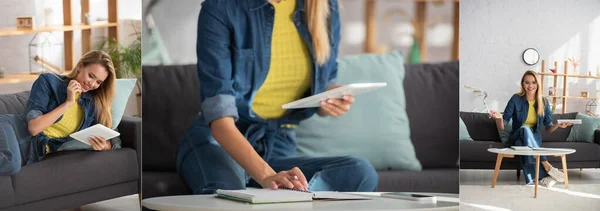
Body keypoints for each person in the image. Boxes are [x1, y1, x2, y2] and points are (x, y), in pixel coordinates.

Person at [177, 0, 378, 194]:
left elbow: (326, 79)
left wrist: (329, 100)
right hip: (221, 142)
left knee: (360, 172)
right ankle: (276, 195)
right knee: (230, 195)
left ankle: (284, 196)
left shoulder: (325, 5)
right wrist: (266, 176)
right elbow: (220, 119)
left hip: (279, 145)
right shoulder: (221, 7)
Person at [0, 50, 118, 175]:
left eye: (98, 82)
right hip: (10, 128)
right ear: (80, 66)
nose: (92, 84)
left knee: (12, 164)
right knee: (11, 163)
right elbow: (34, 127)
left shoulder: (92, 105)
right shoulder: (49, 81)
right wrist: (68, 103)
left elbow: (110, 143)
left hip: (31, 150)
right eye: (91, 75)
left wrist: (102, 145)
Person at [489, 70, 572, 187]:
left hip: (534, 138)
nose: (530, 85)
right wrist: (498, 118)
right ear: (523, 84)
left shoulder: (544, 102)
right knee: (524, 130)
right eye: (527, 82)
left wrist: (558, 125)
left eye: (533, 82)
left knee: (521, 144)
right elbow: (503, 126)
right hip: (517, 134)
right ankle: (547, 166)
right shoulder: (516, 99)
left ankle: (539, 178)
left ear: (538, 84)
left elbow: (548, 127)